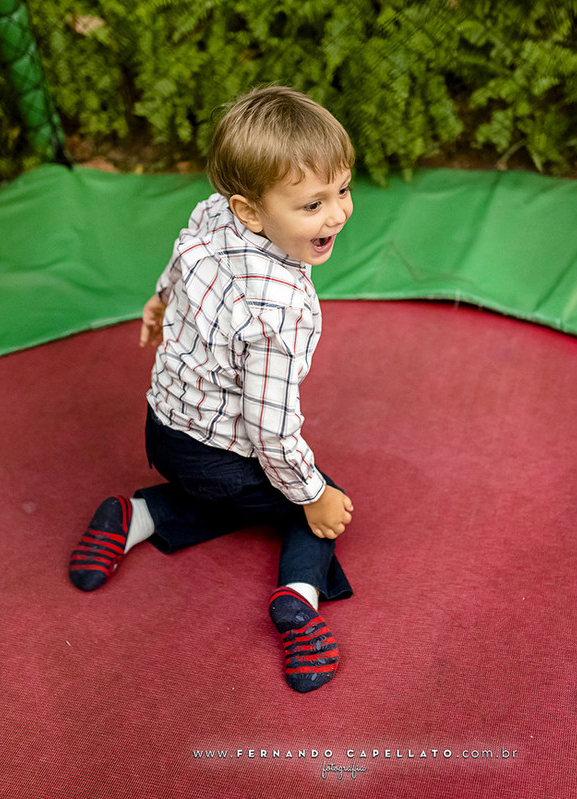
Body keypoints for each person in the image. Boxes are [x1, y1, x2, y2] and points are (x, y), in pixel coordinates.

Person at [68, 85, 356, 694]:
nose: (336, 214)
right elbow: (272, 430)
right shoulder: (284, 309)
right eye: (312, 205)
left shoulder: (212, 215)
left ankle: (137, 516)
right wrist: (313, 493)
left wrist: (157, 299)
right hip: (221, 455)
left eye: (342, 191)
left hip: (163, 430)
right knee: (318, 507)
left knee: (229, 493)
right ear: (251, 211)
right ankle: (298, 603)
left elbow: (182, 258)